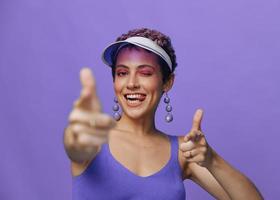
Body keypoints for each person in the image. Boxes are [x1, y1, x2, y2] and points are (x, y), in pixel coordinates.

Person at [64, 28, 263, 200]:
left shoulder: (182, 152)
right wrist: (77, 131)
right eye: (122, 73)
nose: (131, 83)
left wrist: (212, 160)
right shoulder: (93, 137)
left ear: (167, 83)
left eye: (145, 73)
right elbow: (75, 145)